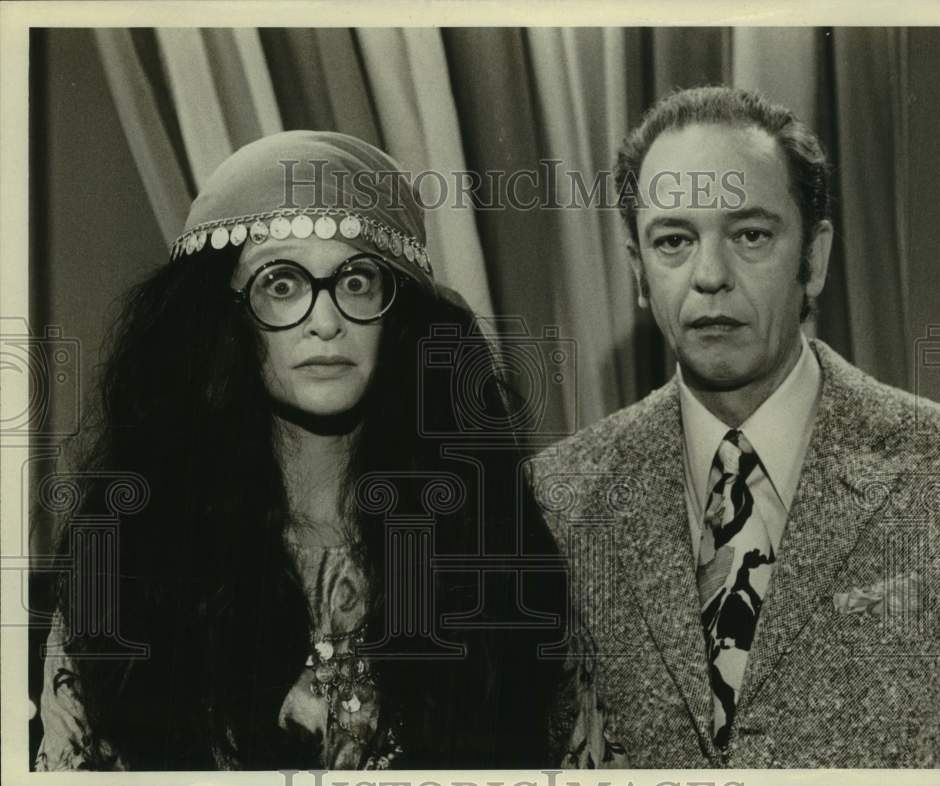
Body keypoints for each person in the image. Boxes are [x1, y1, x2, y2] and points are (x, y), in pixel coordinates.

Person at [34, 131, 625, 771]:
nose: (325, 320)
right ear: (224, 317)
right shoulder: (130, 557)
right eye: (282, 283)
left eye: (357, 281)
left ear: (396, 317)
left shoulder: (493, 548)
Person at [530, 86, 940, 768]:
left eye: (751, 235)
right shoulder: (558, 497)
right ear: (639, 273)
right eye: (675, 241)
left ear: (814, 257)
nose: (711, 277)